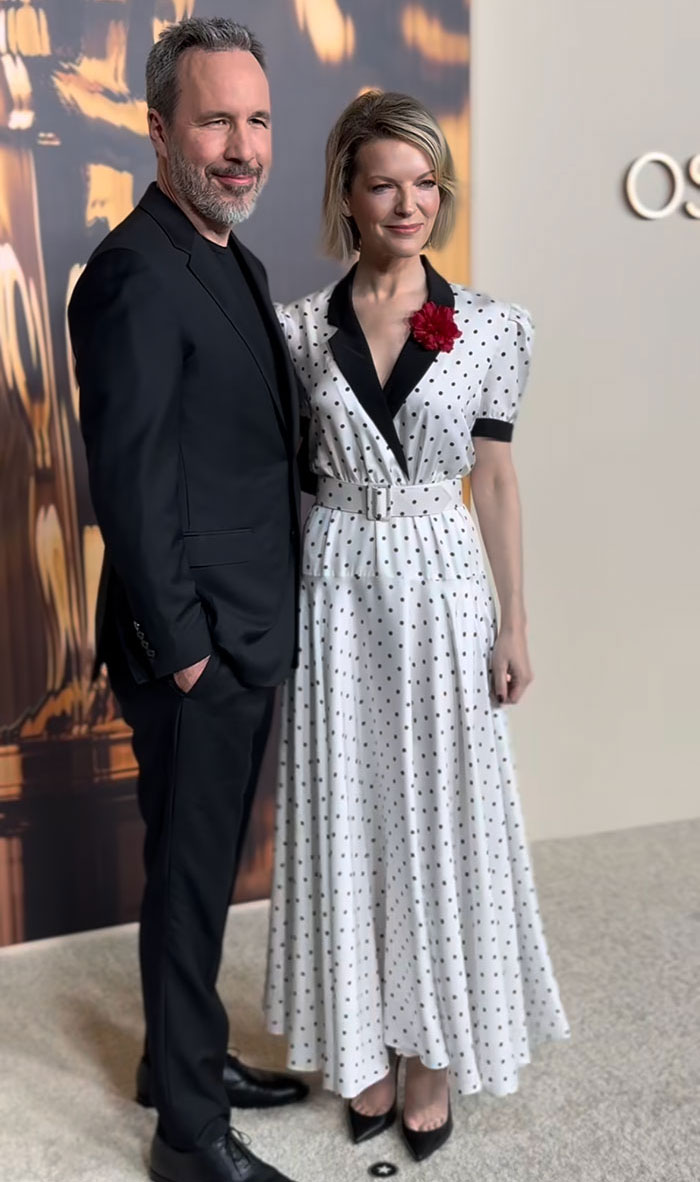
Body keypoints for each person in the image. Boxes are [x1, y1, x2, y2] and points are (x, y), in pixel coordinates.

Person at [264, 90, 570, 1163]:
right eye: (384, 183)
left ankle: (433, 1057)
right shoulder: (300, 329)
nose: (408, 203)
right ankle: (361, 1045)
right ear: (347, 195)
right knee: (350, 811)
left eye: (426, 184)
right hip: (337, 582)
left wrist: (515, 621)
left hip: (444, 585)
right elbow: (285, 476)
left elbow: (493, 479)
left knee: (443, 813)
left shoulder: (486, 323)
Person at [68, 18, 305, 1182]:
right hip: (194, 642)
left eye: (256, 121)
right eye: (216, 120)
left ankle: (180, 1062)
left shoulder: (230, 259)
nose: (242, 146)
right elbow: (131, 480)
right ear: (160, 129)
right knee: (189, 870)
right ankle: (187, 1142)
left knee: (197, 868)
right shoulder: (132, 272)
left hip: (243, 624)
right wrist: (190, 652)